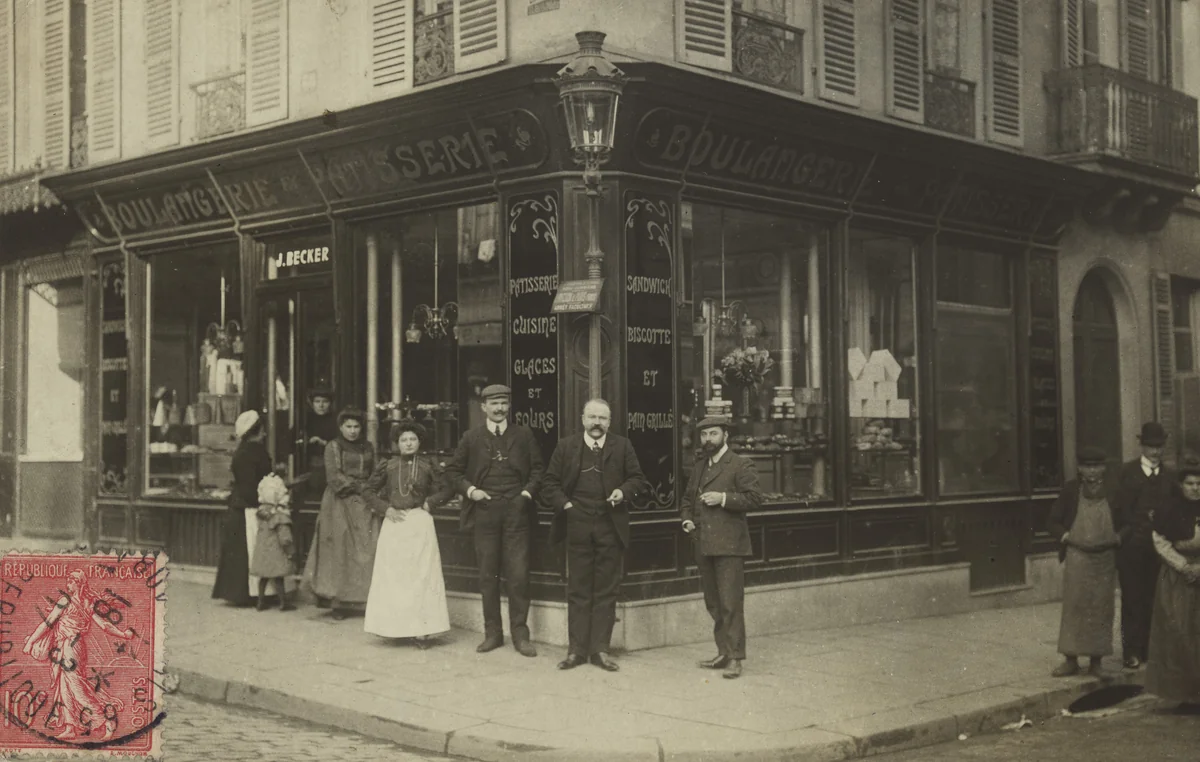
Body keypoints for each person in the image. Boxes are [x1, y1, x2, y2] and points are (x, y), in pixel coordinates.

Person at [543, 399, 648, 672]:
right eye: (592, 417)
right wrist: (565, 504)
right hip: (575, 526)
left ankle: (600, 650)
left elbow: (638, 479)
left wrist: (623, 492)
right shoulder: (566, 446)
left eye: (602, 418)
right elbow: (549, 483)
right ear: (583, 419)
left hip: (609, 527)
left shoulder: (622, 446)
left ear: (609, 422)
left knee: (605, 590)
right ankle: (576, 651)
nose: (597, 423)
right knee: (577, 589)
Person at [444, 384, 544, 656]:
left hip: (516, 513)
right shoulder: (471, 437)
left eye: (504, 403)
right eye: (494, 403)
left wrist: (525, 494)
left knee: (519, 575)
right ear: (483, 407)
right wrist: (472, 491)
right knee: (488, 576)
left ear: (509, 406)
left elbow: (538, 470)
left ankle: (521, 636)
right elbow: (453, 472)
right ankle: (493, 634)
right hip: (485, 513)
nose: (499, 408)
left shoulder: (523, 434)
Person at [680, 417, 762, 680]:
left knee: (730, 603)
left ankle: (736, 658)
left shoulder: (740, 463)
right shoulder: (700, 465)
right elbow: (687, 498)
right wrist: (687, 519)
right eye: (704, 435)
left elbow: (755, 498)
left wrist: (723, 498)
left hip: (729, 546)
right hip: (702, 542)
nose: (708, 440)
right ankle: (723, 652)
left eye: (713, 434)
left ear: (725, 435)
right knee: (713, 602)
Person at [364, 419, 450, 646]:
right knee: (396, 577)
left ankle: (422, 630)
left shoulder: (427, 464)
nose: (409, 444)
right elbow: (368, 490)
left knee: (421, 576)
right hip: (395, 524)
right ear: (397, 443)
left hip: (419, 522)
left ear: (419, 442)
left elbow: (448, 488)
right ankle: (396, 628)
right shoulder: (388, 465)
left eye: (413, 439)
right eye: (404, 440)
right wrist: (385, 508)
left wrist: (431, 502)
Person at [22, 570, 135, 740]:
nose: (68, 582)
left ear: (78, 583)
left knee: (76, 686)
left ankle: (106, 719)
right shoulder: (84, 603)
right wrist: (123, 634)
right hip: (68, 647)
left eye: (72, 580)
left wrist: (31, 641)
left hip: (70, 647)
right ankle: (71, 727)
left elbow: (48, 623)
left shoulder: (66, 601)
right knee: (64, 686)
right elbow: (104, 625)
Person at [1046, 445, 1129, 677]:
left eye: (1097, 467)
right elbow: (1052, 521)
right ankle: (1070, 660)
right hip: (1077, 557)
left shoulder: (1114, 490)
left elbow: (1130, 521)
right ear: (1080, 468)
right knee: (1074, 606)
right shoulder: (1071, 490)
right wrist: (1065, 536)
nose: (1092, 472)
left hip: (1105, 558)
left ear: (1104, 468)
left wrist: (1119, 537)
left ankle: (1096, 661)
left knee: (1101, 608)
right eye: (1087, 467)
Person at [304, 407, 380, 620]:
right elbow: (334, 476)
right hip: (339, 502)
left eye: (356, 426)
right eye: (348, 427)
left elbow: (375, 472)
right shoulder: (333, 446)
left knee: (365, 548)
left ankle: (361, 600)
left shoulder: (369, 447)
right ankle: (338, 601)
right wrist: (359, 486)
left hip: (364, 503)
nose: (353, 431)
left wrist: (370, 489)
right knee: (339, 549)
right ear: (341, 427)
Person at [1115, 421, 1173, 669]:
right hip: (1131, 548)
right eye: (1151, 446)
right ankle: (1132, 651)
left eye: (1159, 446)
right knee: (1132, 597)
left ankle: (1150, 648)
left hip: (1159, 548)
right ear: (1142, 446)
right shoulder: (1126, 473)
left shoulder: (1170, 476)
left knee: (1155, 597)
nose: (1155, 452)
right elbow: (1118, 508)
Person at [1145, 456, 1200, 709]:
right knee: (1178, 632)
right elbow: (1161, 542)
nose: (1195, 488)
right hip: (1176, 578)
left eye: (1199, 484)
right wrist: (1184, 566)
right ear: (1181, 485)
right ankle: (1184, 695)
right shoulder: (1169, 509)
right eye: (1190, 483)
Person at [212, 410, 273, 606]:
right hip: (249, 507)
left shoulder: (245, 451)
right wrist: (264, 502)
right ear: (256, 431)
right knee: (250, 549)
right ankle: (248, 594)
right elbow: (250, 485)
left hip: (241, 505)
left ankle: (241, 593)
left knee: (242, 552)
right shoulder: (253, 452)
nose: (264, 434)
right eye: (262, 430)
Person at [250, 471, 297, 612]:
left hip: (263, 550)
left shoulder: (261, 512)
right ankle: (283, 603)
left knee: (263, 578)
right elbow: (285, 537)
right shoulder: (280, 515)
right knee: (278, 578)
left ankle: (260, 602)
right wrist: (290, 552)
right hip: (276, 551)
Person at [303, 385, 338, 499]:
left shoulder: (335, 421)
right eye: (317, 401)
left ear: (330, 403)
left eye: (325, 402)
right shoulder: (305, 420)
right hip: (308, 464)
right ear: (312, 403)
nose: (321, 405)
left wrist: (324, 442)